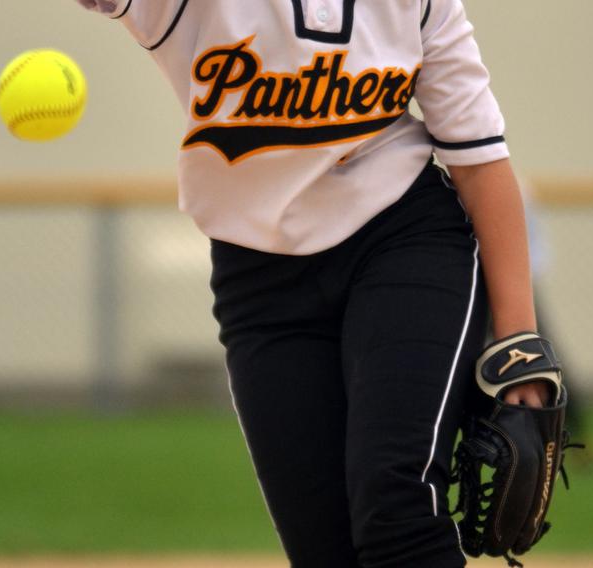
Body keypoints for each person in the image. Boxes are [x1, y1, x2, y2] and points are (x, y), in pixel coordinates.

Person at [76, 1, 554, 566]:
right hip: (262, 278)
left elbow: (479, 159)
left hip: (403, 241)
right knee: (323, 547)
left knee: (396, 504)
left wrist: (519, 344)